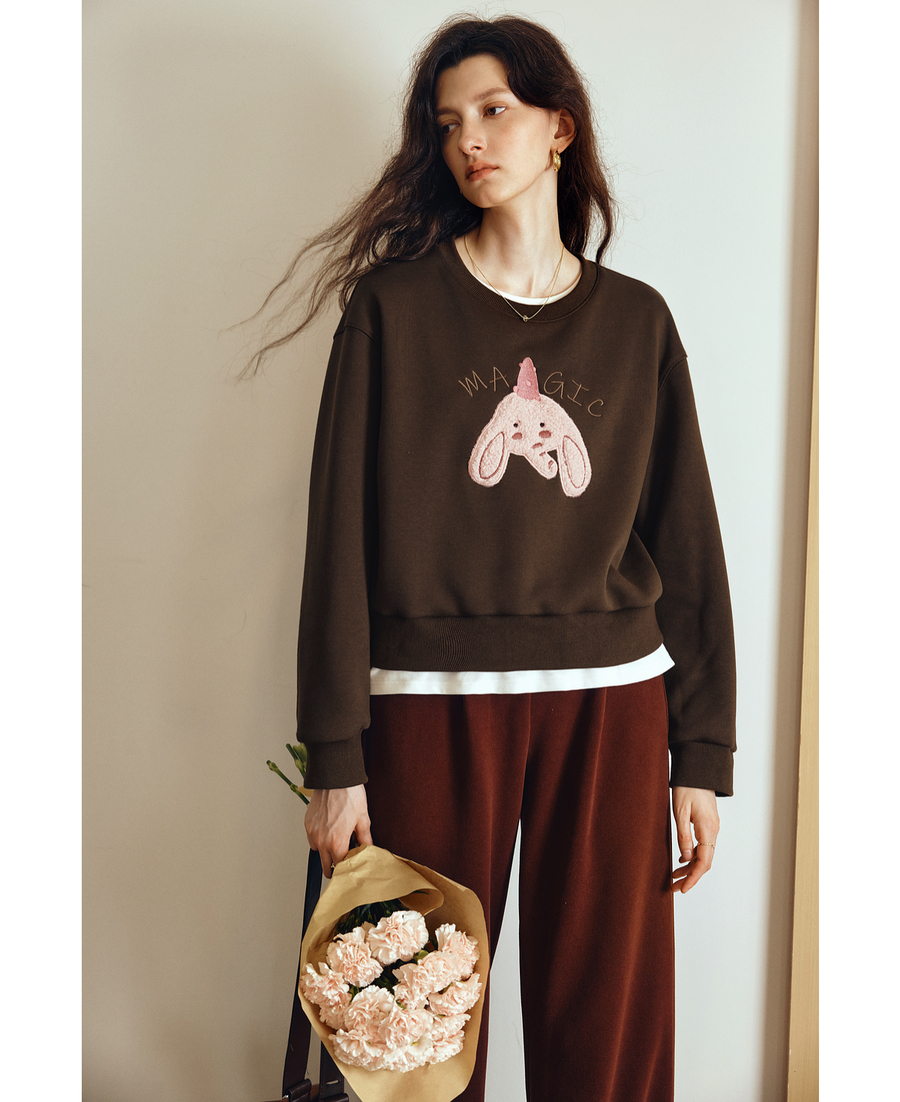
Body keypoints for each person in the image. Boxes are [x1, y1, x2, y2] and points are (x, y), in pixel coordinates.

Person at [252, 15, 736, 1102]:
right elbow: (337, 540)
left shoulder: (637, 323)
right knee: (409, 1035)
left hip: (611, 704)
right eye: (448, 122)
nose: (469, 139)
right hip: (429, 704)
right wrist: (335, 756)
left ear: (560, 127)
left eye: (495, 110)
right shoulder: (391, 310)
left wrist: (701, 751)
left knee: (606, 1033)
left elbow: (688, 544)